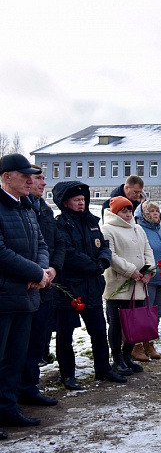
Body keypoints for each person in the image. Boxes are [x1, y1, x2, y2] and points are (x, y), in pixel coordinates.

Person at [53, 181, 127, 390]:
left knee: (98, 330)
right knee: (65, 334)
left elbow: (104, 245)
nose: (81, 203)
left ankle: (103, 368)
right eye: (76, 200)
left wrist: (103, 261)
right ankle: (68, 374)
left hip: (92, 286)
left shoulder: (92, 222)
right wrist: (94, 265)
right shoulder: (60, 225)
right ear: (65, 202)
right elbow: (67, 253)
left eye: (83, 200)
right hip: (69, 288)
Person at [0, 154, 50, 437]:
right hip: (4, 296)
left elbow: (41, 243)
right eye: (24, 175)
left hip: (26, 296)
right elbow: (1, 252)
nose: (31, 180)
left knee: (15, 358)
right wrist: (34, 273)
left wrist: (41, 271)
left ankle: (7, 408)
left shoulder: (27, 208)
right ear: (7, 177)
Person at [18, 165, 66, 408]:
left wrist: (51, 270)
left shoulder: (45, 210)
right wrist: (34, 272)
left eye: (42, 178)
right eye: (37, 178)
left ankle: (29, 387)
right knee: (17, 345)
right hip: (21, 285)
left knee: (37, 341)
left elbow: (57, 243)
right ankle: (11, 393)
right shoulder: (18, 207)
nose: (43, 183)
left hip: (45, 285)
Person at [101, 196, 155, 374]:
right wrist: (130, 270)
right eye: (123, 211)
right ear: (116, 212)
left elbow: (148, 249)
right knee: (117, 324)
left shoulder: (138, 228)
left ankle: (127, 355)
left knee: (135, 323)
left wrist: (149, 271)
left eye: (130, 210)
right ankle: (116, 358)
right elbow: (111, 255)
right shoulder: (107, 229)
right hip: (119, 285)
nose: (127, 214)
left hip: (138, 284)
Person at [134, 200, 161, 359]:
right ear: (143, 214)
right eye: (151, 211)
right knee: (145, 313)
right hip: (149, 279)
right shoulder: (139, 231)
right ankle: (137, 345)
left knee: (157, 314)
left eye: (157, 211)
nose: (155, 214)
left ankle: (149, 343)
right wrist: (148, 271)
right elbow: (141, 254)